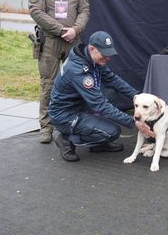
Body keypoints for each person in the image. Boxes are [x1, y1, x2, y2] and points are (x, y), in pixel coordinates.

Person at [48, 31, 154, 161]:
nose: (108, 58)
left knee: (111, 92)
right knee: (113, 132)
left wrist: (136, 95)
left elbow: (112, 78)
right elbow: (100, 105)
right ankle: (65, 138)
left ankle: (96, 143)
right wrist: (133, 122)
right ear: (92, 48)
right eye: (104, 55)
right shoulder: (77, 70)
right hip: (65, 115)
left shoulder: (90, 58)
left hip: (80, 104)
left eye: (109, 54)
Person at [28, 0, 90, 143]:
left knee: (76, 84)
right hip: (50, 42)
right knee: (48, 85)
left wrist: (75, 29)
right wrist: (60, 30)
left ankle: (74, 125)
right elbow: (35, 10)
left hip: (73, 42)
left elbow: (84, 10)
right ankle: (46, 128)